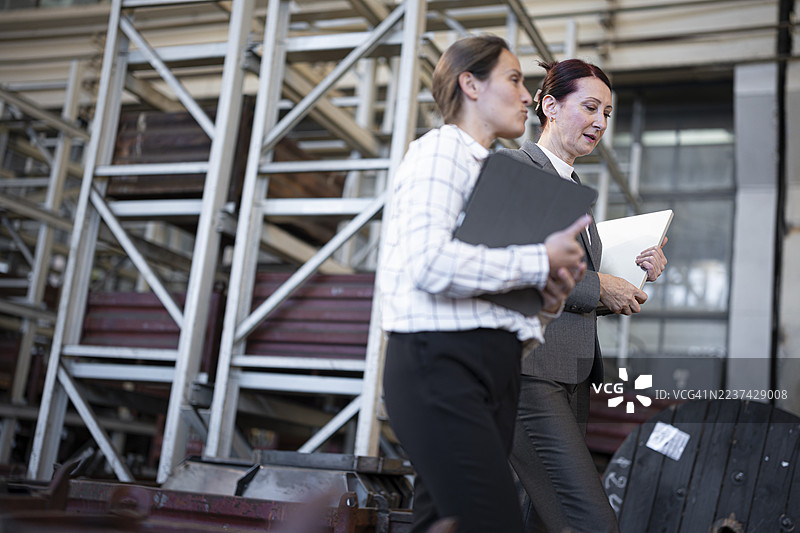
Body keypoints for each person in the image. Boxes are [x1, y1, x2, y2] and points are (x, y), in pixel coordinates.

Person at [379, 36, 592, 533]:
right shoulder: (440, 153)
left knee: (444, 521)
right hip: (440, 365)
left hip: (487, 374)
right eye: (515, 80)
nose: (526, 96)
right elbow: (429, 264)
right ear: (470, 84)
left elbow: (499, 302)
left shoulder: (492, 174)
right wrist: (538, 259)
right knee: (491, 522)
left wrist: (550, 295)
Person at [502, 59, 668, 533]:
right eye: (591, 107)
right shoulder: (516, 168)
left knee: (544, 522)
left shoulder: (576, 192)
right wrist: (600, 286)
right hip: (527, 373)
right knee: (590, 522)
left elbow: (570, 281)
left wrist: (635, 274)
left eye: (608, 114)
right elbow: (512, 265)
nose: (600, 122)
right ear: (549, 106)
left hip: (571, 375)